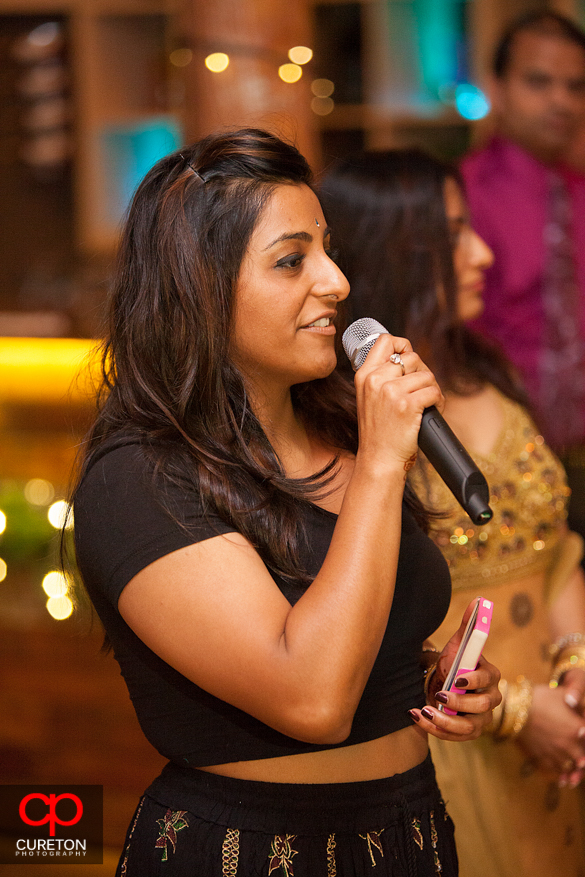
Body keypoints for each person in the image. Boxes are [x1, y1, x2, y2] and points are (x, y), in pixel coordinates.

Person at [69, 129, 500, 877]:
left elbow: (343, 630)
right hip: (251, 849)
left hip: (410, 830)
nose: (336, 281)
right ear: (199, 285)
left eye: (327, 249)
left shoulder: (333, 425)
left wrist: (420, 674)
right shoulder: (136, 477)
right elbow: (310, 698)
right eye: (291, 259)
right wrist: (380, 463)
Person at [319, 148, 585, 877]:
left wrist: (575, 661)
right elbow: (375, 606)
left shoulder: (480, 366)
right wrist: (515, 711)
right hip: (458, 741)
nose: (482, 253)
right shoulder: (349, 424)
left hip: (561, 729)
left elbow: (554, 548)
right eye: (453, 235)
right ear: (390, 254)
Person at [461, 10, 585, 545]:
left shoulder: (580, 192)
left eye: (576, 86)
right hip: (505, 462)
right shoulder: (461, 198)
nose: (561, 101)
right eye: (539, 82)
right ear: (498, 89)